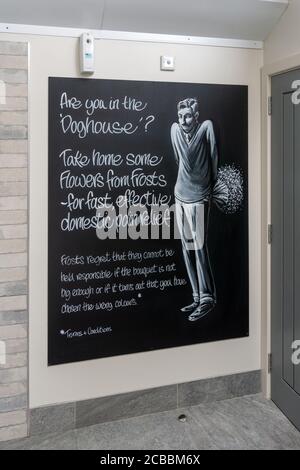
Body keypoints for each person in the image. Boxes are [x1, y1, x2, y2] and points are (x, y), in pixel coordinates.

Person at [171, 98, 218, 321]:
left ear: (196, 116)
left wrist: (208, 186)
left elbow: (213, 159)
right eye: (180, 116)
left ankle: (207, 297)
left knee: (198, 247)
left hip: (200, 196)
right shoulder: (175, 131)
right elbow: (178, 158)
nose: (183, 121)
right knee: (186, 248)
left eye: (188, 116)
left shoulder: (206, 128)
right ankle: (196, 296)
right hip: (180, 195)